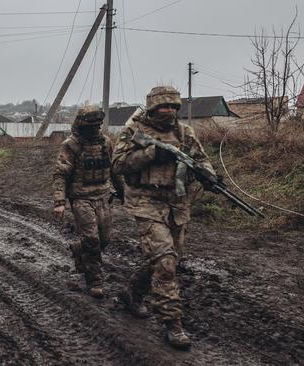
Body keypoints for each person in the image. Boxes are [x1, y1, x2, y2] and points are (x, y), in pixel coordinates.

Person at [112, 85, 218, 349]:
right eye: (163, 106)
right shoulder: (134, 131)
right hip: (145, 201)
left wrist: (208, 175)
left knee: (167, 258)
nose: (169, 111)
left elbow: (201, 159)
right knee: (165, 262)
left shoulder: (184, 132)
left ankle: (132, 294)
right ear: (152, 107)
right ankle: (173, 324)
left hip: (177, 203)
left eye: (173, 106)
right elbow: (117, 165)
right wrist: (150, 154)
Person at [53, 105, 124, 298]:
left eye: (97, 125)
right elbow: (60, 174)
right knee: (92, 239)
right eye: (90, 125)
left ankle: (78, 249)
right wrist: (59, 201)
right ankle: (95, 280)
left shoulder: (106, 143)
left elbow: (114, 170)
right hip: (81, 198)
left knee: (104, 239)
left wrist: (123, 191)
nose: (94, 129)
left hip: (103, 196)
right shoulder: (72, 145)